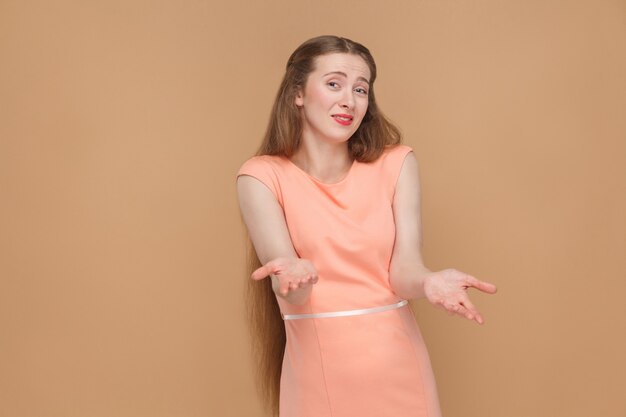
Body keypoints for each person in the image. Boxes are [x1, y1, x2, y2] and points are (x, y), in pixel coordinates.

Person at [236, 35, 497, 417]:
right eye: (333, 84)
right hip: (318, 377)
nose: (349, 100)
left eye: (361, 89)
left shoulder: (397, 163)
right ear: (298, 93)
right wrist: (294, 277)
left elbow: (403, 270)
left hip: (399, 370)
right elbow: (289, 289)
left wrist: (429, 282)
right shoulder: (260, 176)